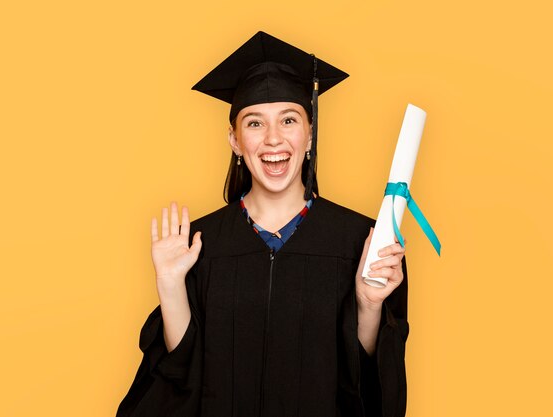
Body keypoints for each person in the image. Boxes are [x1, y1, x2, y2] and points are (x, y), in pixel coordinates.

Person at [117, 31, 409, 417]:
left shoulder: (361, 240)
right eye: (254, 124)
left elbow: (370, 385)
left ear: (309, 135)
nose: (273, 139)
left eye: (289, 120)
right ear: (235, 141)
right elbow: (178, 377)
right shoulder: (198, 245)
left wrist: (368, 305)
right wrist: (171, 286)